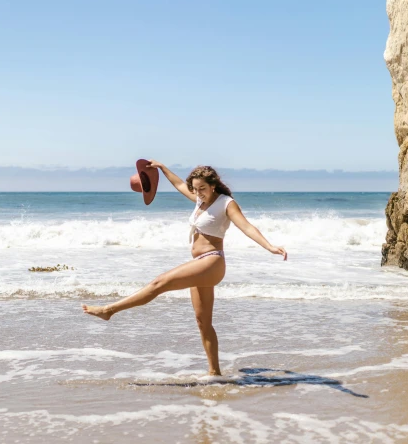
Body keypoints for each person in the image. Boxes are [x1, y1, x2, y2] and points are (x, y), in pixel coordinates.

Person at [82, 161, 287, 375]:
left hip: (212, 261)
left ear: (213, 186)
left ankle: (108, 310)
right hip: (201, 265)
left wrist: (270, 247)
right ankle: (214, 373)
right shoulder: (200, 200)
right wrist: (162, 169)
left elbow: (246, 226)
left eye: (203, 189)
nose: (199, 193)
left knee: (159, 283)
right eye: (196, 189)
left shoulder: (226, 203)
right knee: (203, 322)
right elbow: (180, 185)